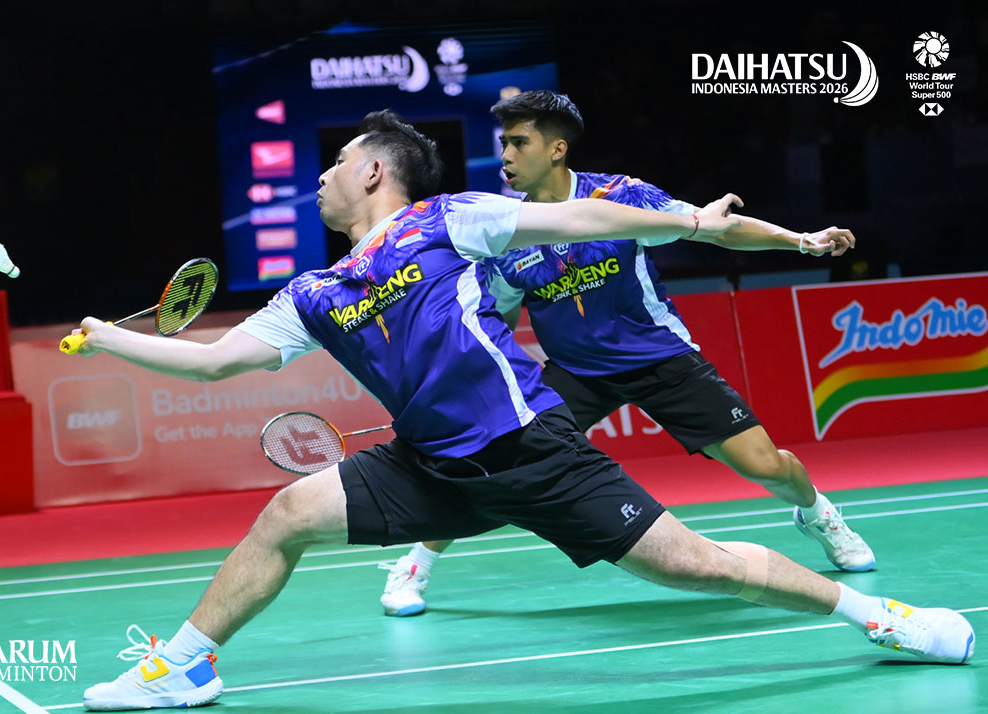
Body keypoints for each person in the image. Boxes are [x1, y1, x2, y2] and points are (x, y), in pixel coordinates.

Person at [78, 110, 973, 711]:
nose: (319, 178)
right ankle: (182, 665)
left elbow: (584, 222)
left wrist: (693, 224)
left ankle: (880, 617)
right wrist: (110, 339)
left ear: (375, 171)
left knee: (695, 565)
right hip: (428, 464)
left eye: (334, 164)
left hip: (529, 450)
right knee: (286, 515)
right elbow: (215, 364)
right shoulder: (312, 292)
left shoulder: (447, 220)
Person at [379, 90, 875, 618]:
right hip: (575, 373)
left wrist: (800, 240)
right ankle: (415, 565)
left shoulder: (620, 195)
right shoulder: (506, 231)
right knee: (494, 460)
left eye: (519, 142)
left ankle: (817, 513)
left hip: (657, 356)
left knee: (765, 465)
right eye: (504, 143)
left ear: (557, 149)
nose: (505, 156)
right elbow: (494, 315)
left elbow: (718, 229)